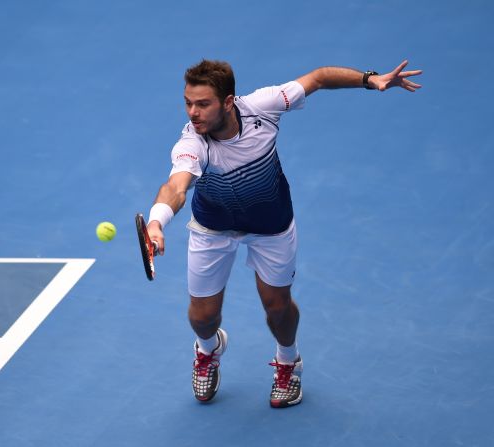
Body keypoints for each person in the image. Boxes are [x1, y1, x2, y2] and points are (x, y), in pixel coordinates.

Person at [145, 59, 422, 407]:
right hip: (213, 228)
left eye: (203, 104)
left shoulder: (264, 105)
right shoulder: (193, 143)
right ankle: (208, 349)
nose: (193, 113)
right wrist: (157, 221)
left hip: (270, 227)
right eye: (188, 103)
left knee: (278, 308)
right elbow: (177, 186)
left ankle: (289, 362)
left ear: (228, 102)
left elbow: (319, 78)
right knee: (202, 318)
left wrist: (371, 79)